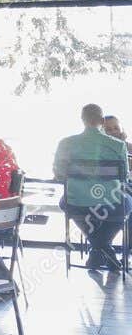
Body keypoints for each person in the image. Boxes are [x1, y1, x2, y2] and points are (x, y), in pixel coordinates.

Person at [54, 103, 130, 272]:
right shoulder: (118, 145)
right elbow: (124, 177)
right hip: (111, 204)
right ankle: (105, 249)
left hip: (76, 202)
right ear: (102, 121)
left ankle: (97, 250)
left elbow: (59, 174)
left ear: (82, 120)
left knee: (64, 203)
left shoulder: (65, 143)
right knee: (127, 204)